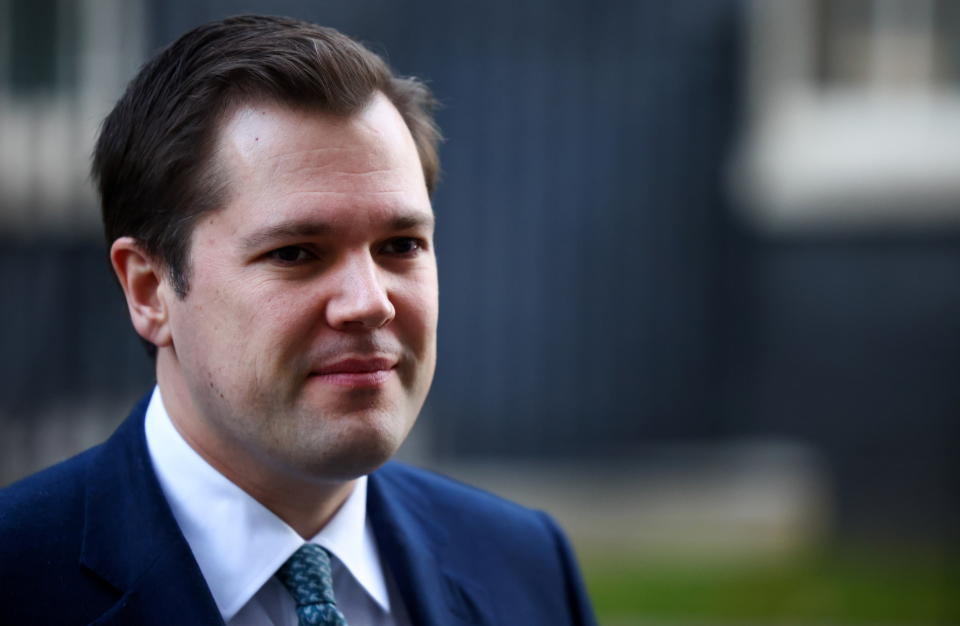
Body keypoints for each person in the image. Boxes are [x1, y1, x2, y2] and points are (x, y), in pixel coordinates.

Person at [0, 14, 596, 626]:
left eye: (401, 245)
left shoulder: (526, 566)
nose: (369, 301)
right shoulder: (17, 577)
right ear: (150, 290)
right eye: (295, 253)